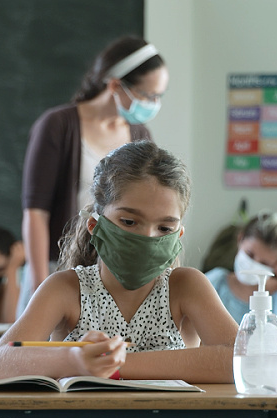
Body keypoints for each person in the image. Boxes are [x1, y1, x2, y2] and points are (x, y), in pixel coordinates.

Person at [0, 141, 238, 383]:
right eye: (129, 222)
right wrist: (73, 358)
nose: (147, 238)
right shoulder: (65, 288)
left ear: (178, 235)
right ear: (95, 226)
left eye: (164, 227)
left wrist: (114, 364)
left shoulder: (187, 287)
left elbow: (242, 358)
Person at [18, 35, 169, 317]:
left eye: (159, 96)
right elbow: (36, 212)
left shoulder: (139, 134)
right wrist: (41, 286)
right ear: (115, 85)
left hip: (113, 276)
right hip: (56, 268)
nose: (153, 103)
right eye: (148, 95)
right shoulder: (58, 126)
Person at [205, 211, 277, 326]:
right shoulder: (216, 282)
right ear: (241, 238)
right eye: (250, 254)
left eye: (264, 263)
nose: (253, 264)